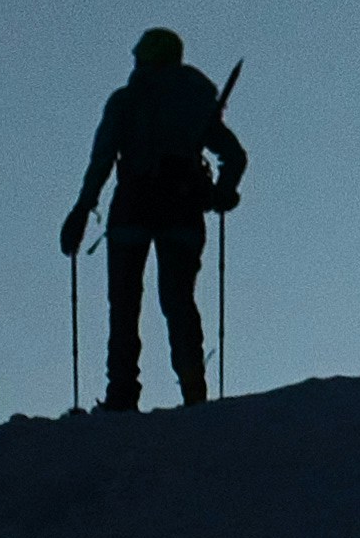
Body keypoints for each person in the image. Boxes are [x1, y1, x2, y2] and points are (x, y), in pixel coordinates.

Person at [61, 28, 246, 411]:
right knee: (178, 300)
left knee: (124, 301)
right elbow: (234, 155)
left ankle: (122, 392)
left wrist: (81, 211)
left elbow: (101, 161)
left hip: (133, 204)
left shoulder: (126, 101)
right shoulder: (195, 100)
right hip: (182, 206)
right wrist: (221, 192)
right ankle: (193, 391)